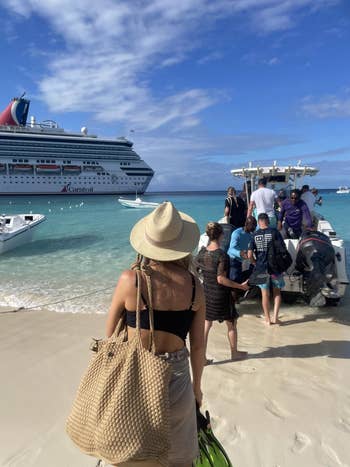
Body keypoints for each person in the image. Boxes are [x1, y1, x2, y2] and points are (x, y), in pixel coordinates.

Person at [106, 201, 205, 467]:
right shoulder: (195, 286)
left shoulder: (131, 280)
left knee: (129, 452)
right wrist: (196, 388)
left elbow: (110, 336)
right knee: (177, 459)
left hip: (135, 372)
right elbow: (198, 347)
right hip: (178, 377)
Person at [195, 222, 249, 364]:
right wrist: (240, 286)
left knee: (207, 325)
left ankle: (202, 357)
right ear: (221, 235)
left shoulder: (201, 253)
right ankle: (234, 353)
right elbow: (221, 279)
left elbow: (196, 269)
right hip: (221, 295)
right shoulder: (222, 255)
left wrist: (204, 280)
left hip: (207, 293)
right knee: (231, 323)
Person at [247, 213, 285, 326]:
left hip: (261, 268)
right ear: (268, 221)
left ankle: (267, 320)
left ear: (259, 223)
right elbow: (283, 250)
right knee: (277, 292)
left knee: (265, 295)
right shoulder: (275, 232)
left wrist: (255, 263)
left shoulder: (254, 235)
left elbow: (249, 254)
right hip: (275, 268)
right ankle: (276, 318)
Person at [227, 216, 257, 284]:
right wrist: (240, 253)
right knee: (235, 279)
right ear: (246, 224)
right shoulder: (237, 233)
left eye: (255, 226)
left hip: (244, 260)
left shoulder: (251, 235)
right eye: (253, 226)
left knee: (253, 273)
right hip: (233, 259)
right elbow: (231, 249)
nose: (254, 228)